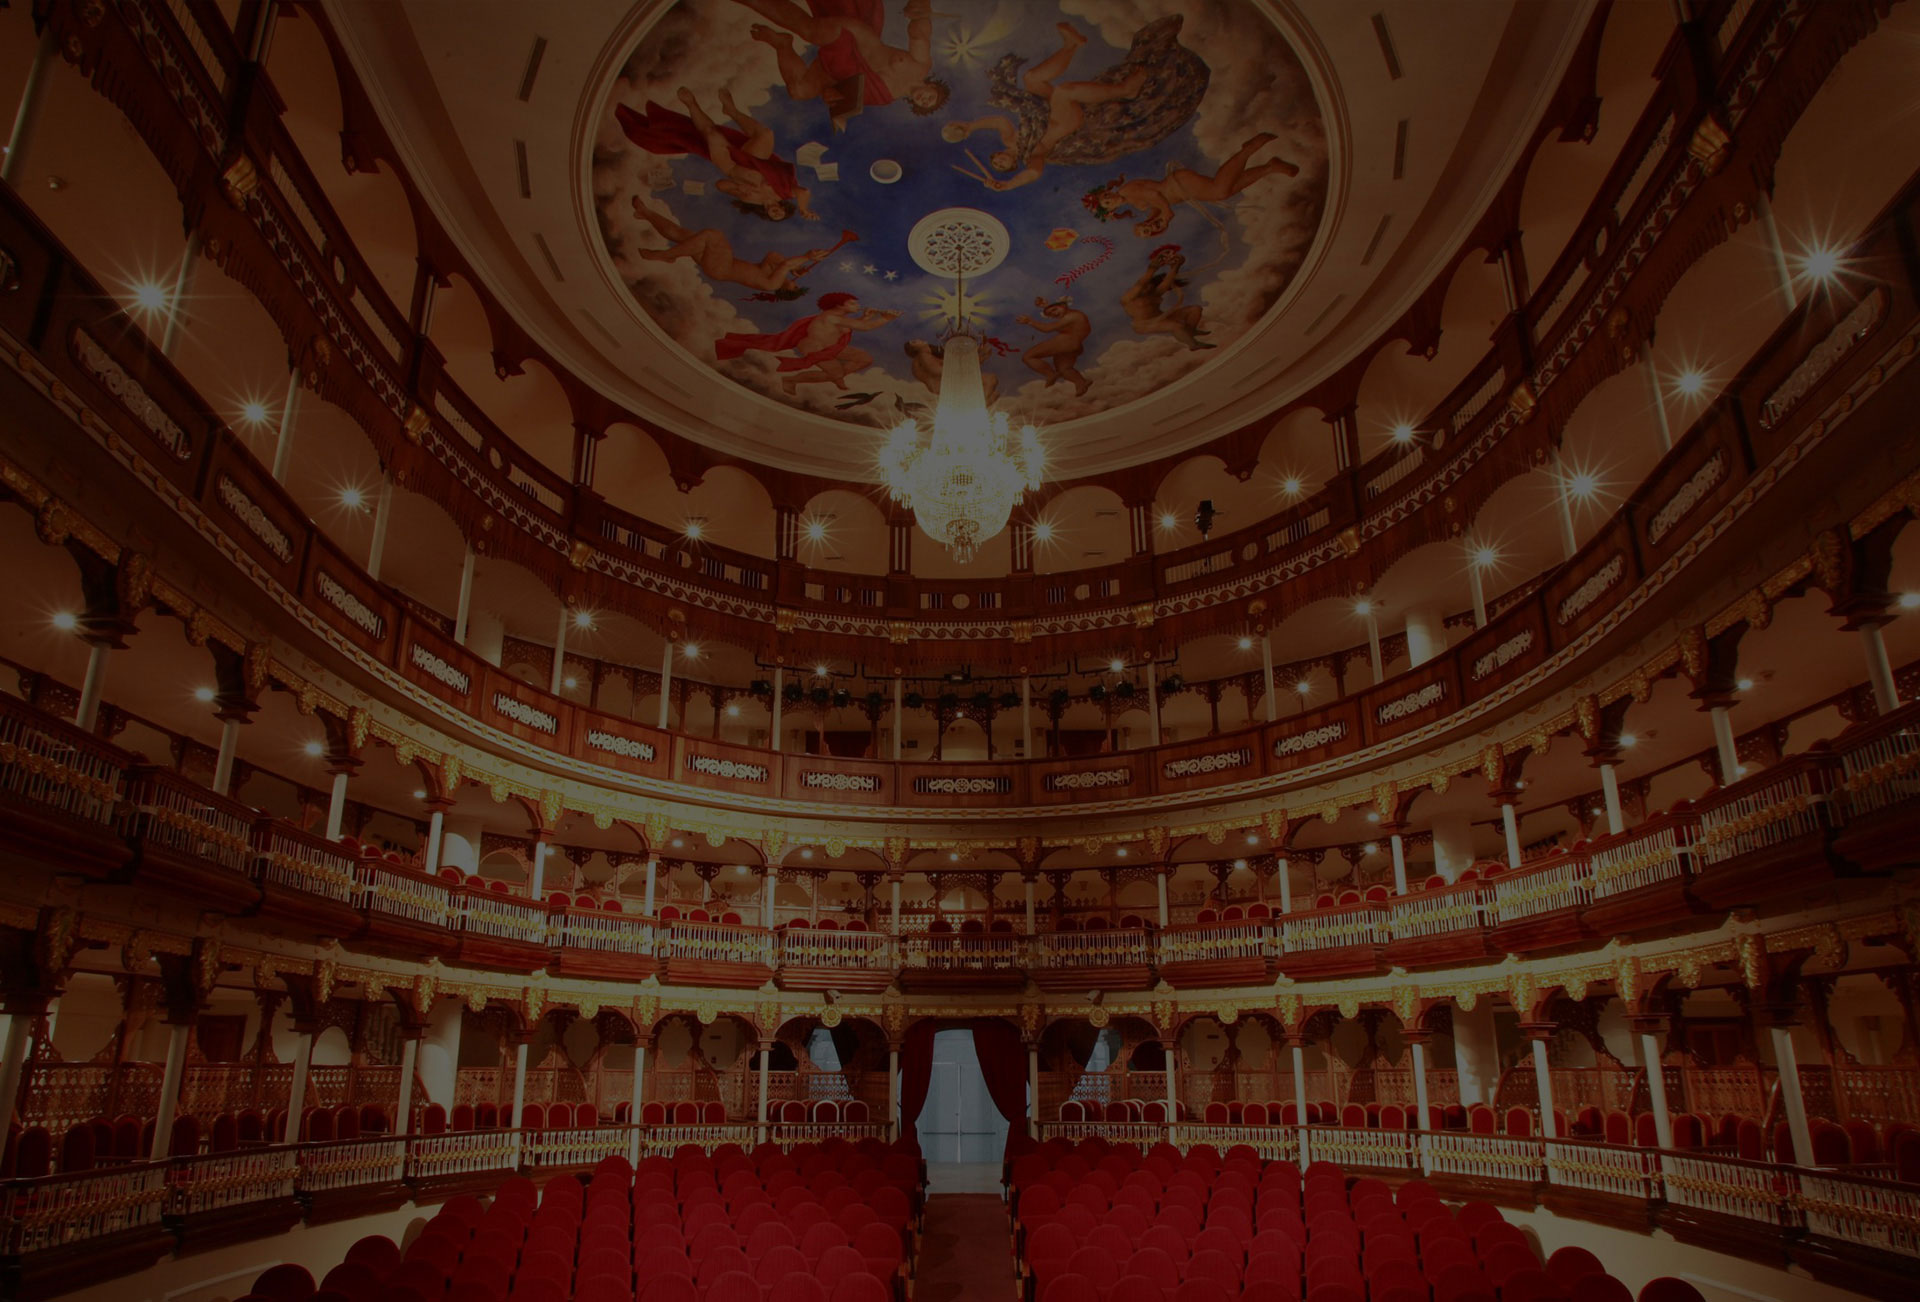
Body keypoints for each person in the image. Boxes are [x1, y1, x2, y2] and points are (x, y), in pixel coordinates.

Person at [945, 14, 1208, 190]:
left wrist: (970, 127)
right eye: (1002, 166)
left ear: (997, 154)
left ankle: (1071, 45)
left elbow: (999, 120)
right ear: (1011, 165)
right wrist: (1010, 184)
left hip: (1043, 110)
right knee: (1064, 92)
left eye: (996, 161)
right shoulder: (1031, 156)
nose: (1000, 161)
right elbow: (1034, 174)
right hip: (1065, 121)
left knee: (1033, 79)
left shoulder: (1008, 139)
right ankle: (1124, 90)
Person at [735, 0, 949, 131]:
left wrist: (835, 105)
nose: (924, 99)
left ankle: (782, 44)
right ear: (932, 86)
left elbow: (838, 92)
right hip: (855, 38)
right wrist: (922, 7)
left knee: (799, 91)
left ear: (916, 106)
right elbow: (920, 35)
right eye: (931, 97)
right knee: (810, 30)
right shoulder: (920, 66)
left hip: (836, 66)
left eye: (925, 104)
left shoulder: (886, 98)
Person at [614, 87, 818, 222]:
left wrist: (740, 188)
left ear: (767, 214)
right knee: (765, 134)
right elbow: (804, 192)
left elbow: (721, 186)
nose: (777, 213)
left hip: (730, 166)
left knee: (711, 133)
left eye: (775, 216)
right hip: (757, 161)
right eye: (781, 213)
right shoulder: (781, 193)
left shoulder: (751, 202)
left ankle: (691, 103)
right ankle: (732, 111)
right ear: (784, 208)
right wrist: (803, 210)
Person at [1084, 133, 1298, 239]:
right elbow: (1156, 206)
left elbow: (1154, 194)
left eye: (1106, 198)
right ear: (1111, 211)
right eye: (1108, 205)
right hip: (1182, 191)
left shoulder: (1126, 191)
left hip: (1179, 184)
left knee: (1219, 190)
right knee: (1225, 191)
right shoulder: (1131, 200)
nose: (1110, 201)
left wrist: (1166, 212)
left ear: (1108, 192)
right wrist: (1152, 224)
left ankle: (1248, 149)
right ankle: (1270, 168)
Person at [630, 199, 851, 299]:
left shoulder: (772, 284)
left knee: (713, 235)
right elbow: (774, 257)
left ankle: (666, 256)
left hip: (722, 267)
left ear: (786, 289)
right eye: (795, 282)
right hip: (719, 264)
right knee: (683, 235)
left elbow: (783, 265)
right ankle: (647, 214)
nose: (794, 282)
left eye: (794, 286)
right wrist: (794, 268)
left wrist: (805, 257)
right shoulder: (770, 274)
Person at [716, 291, 901, 393]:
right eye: (852, 303)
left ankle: (836, 375)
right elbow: (864, 328)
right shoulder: (832, 317)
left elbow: (850, 327)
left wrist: (863, 317)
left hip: (831, 347)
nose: (857, 306)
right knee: (834, 373)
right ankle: (791, 380)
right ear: (839, 305)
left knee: (865, 359)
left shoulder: (839, 317)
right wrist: (886, 318)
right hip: (816, 348)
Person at [1120, 247, 1213, 351]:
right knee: (1176, 326)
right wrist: (1153, 267)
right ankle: (1193, 345)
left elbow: (1166, 282)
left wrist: (1176, 265)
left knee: (1195, 309)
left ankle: (1190, 331)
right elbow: (1141, 283)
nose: (1148, 288)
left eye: (1150, 286)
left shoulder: (1154, 294)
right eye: (1146, 286)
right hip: (1145, 324)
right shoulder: (1128, 298)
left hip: (1162, 316)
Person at [1014, 296, 1093, 396]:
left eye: (1054, 309)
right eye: (1050, 314)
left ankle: (1050, 374)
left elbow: (1047, 328)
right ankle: (1081, 382)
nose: (1054, 314)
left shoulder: (1072, 316)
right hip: (1074, 346)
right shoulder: (1070, 317)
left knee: (1028, 357)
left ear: (1063, 305)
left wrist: (1030, 322)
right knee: (1064, 369)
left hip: (1066, 341)